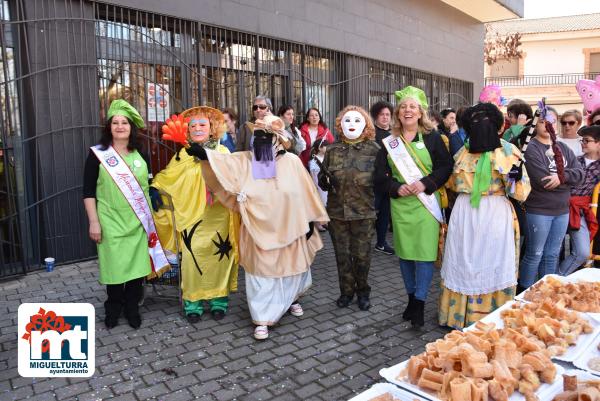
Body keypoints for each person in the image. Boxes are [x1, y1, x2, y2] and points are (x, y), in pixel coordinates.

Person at [186, 114, 329, 340]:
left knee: (291, 268)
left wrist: (310, 221)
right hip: (257, 229)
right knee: (261, 273)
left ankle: (291, 299)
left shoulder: (292, 162)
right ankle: (262, 317)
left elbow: (307, 193)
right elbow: (227, 164)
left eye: (264, 135)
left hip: (290, 228)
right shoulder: (247, 160)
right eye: (257, 135)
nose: (258, 139)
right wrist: (205, 154)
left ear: (277, 139)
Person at [438, 103, 531, 329]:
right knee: (463, 258)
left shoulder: (509, 152)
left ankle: (493, 317)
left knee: (492, 259)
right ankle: (459, 316)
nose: (481, 126)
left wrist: (515, 179)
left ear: (498, 127)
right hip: (465, 213)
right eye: (475, 123)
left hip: (495, 213)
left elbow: (522, 192)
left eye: (486, 122)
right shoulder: (462, 153)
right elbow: (451, 183)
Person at [83, 99, 169, 329]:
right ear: (109, 127)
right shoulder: (97, 155)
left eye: (124, 123)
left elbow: (148, 182)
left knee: (136, 270)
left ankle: (132, 309)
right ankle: (113, 307)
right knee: (114, 268)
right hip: (109, 221)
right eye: (115, 123)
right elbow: (88, 191)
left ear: (131, 127)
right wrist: (94, 222)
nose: (120, 126)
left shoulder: (140, 152)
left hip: (138, 221)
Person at [150, 106, 240, 323]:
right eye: (193, 126)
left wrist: (208, 158)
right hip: (192, 219)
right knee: (191, 261)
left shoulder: (223, 153)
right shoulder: (182, 153)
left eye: (203, 125)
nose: (198, 129)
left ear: (212, 129)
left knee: (221, 260)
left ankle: (219, 300)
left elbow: (233, 179)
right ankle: (193, 302)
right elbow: (168, 176)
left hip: (219, 217)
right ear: (187, 130)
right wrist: (155, 187)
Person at [374, 86, 453, 327]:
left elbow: (445, 167)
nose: (407, 110)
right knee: (406, 255)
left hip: (426, 205)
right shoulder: (390, 143)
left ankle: (419, 304)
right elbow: (379, 175)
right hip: (401, 206)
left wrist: (425, 183)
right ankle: (411, 299)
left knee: (425, 256)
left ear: (420, 112)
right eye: (403, 107)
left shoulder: (434, 138)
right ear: (398, 113)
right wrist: (395, 187)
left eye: (412, 106)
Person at [318, 105, 380, 311]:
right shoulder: (332, 150)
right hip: (338, 214)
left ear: (365, 125)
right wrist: (324, 179)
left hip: (364, 213)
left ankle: (363, 291)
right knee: (342, 256)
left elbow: (382, 181)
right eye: (347, 120)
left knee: (362, 256)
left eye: (356, 120)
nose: (351, 124)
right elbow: (323, 180)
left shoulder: (375, 150)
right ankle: (346, 292)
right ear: (339, 125)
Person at [518, 107, 584, 290]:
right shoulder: (531, 149)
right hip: (539, 210)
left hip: (561, 210)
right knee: (535, 253)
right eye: (542, 121)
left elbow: (580, 175)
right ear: (536, 124)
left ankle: (547, 291)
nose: (548, 125)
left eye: (552, 121)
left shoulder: (562, 147)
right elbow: (542, 181)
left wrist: (561, 178)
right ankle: (525, 293)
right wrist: (565, 179)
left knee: (552, 254)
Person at [558, 125, 600, 275]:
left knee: (582, 252)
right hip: (559, 206)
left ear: (598, 144)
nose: (582, 143)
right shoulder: (573, 160)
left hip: (579, 210)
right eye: (582, 140)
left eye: (586, 140)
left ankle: (559, 277)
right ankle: (547, 282)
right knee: (553, 251)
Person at [370, 101, 395, 255]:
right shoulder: (370, 134)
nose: (385, 117)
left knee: (385, 214)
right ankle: (364, 243)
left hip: (389, 181)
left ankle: (381, 242)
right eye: (382, 115)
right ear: (375, 116)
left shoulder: (394, 134)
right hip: (373, 181)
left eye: (388, 114)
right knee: (370, 214)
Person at [308, 137, 329, 232]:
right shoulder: (313, 160)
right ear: (320, 148)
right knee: (319, 204)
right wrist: (314, 186)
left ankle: (325, 222)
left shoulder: (328, 158)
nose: (327, 148)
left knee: (326, 203)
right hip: (318, 185)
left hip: (326, 184)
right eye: (325, 146)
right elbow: (313, 174)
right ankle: (318, 223)